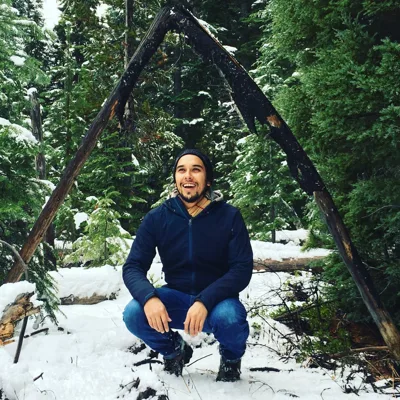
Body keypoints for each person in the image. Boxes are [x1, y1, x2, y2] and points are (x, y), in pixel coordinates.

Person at [122, 148, 253, 382]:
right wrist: (149, 298)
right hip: (176, 298)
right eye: (182, 170)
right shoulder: (157, 218)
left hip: (217, 303)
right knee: (134, 313)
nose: (188, 176)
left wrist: (205, 300)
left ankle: (231, 359)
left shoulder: (229, 216)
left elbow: (241, 269)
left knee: (230, 318)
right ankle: (174, 350)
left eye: (196, 170)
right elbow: (133, 266)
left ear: (208, 179)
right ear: (175, 178)